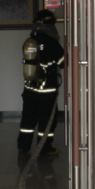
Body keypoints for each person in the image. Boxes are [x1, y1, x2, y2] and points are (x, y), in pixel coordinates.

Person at [17, 9, 65, 155]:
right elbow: (63, 63)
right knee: (47, 120)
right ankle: (45, 148)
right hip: (47, 90)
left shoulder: (30, 42)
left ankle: (23, 146)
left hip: (29, 88)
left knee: (28, 119)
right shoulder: (52, 43)